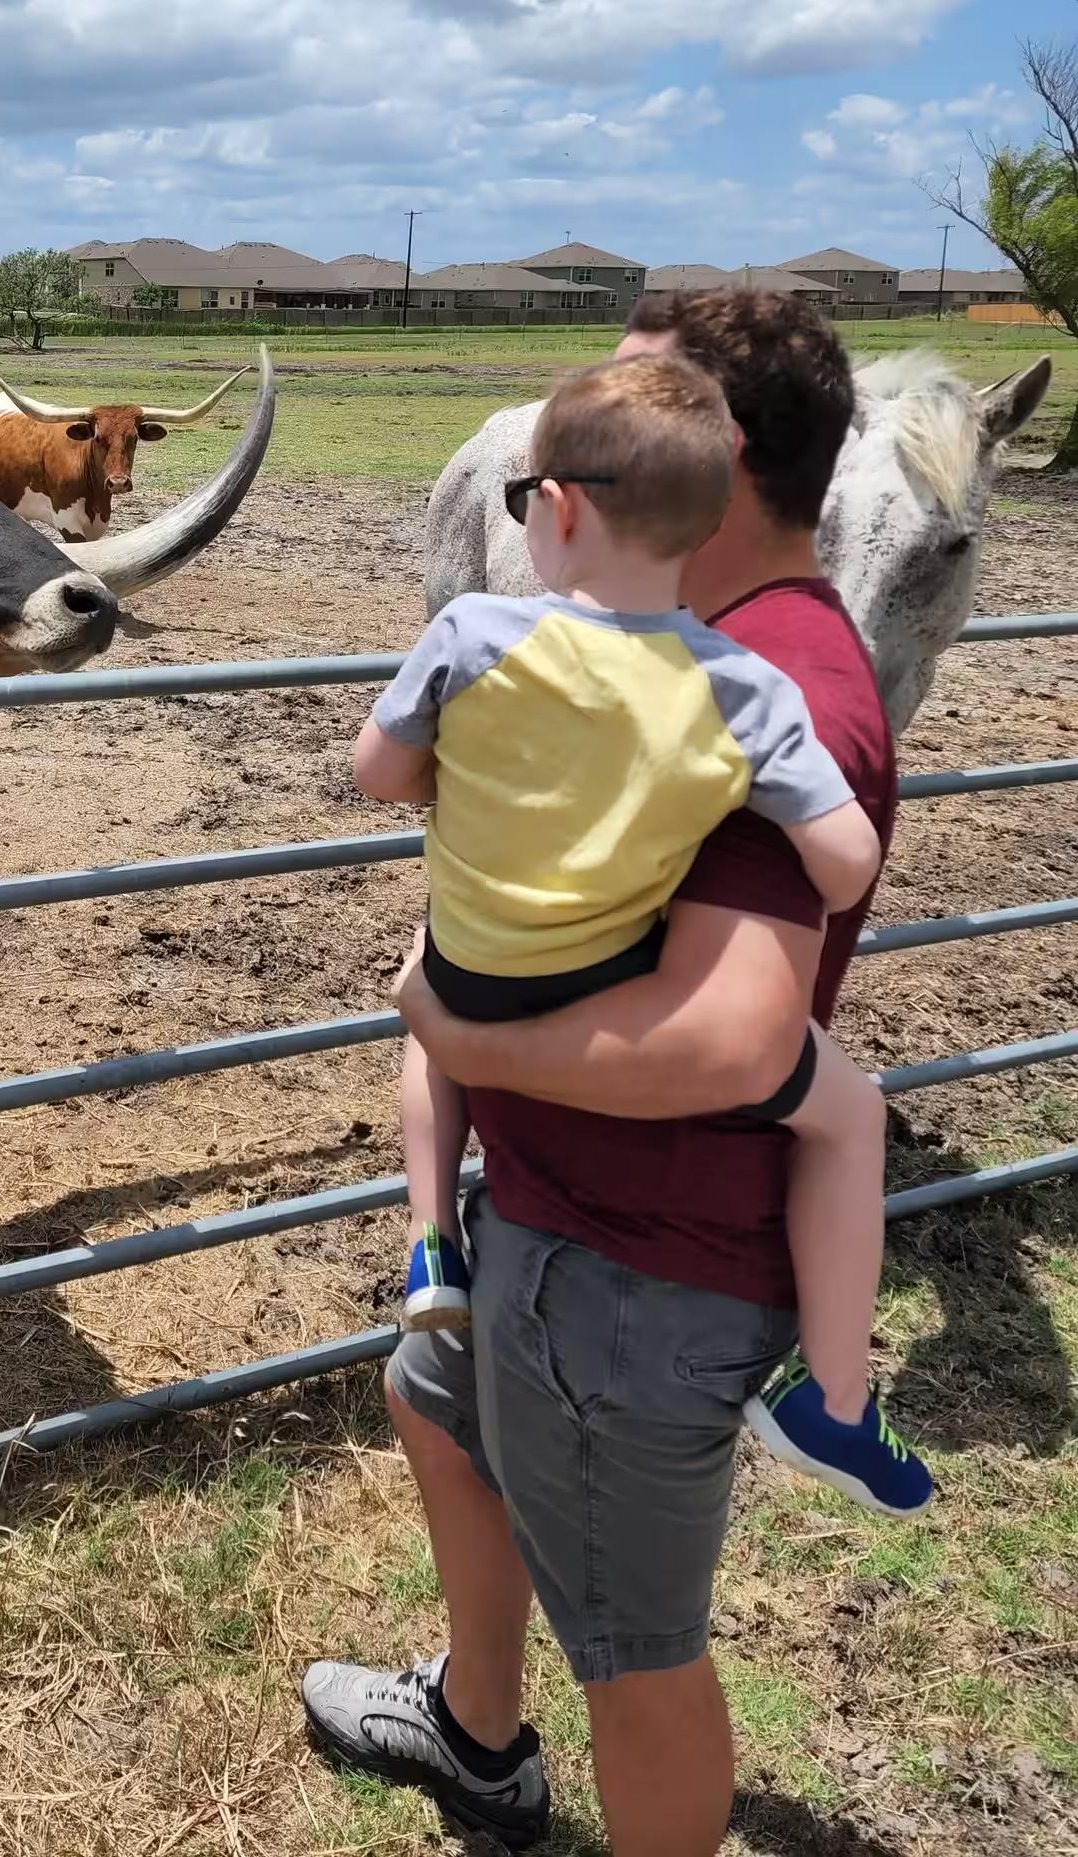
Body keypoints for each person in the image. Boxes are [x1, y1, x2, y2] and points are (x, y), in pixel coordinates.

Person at [300, 290, 907, 1857]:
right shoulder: (692, 662)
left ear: (718, 452)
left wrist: (458, 1030)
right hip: (554, 1205)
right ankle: (479, 1730)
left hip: (636, 1268)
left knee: (639, 1657)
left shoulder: (783, 686)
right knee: (433, 1395)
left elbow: (733, 1041)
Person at [368, 351, 928, 1526]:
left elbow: (379, 775)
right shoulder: (752, 687)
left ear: (555, 515)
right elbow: (845, 865)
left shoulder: (472, 630)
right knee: (853, 1112)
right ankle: (833, 1393)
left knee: (432, 987)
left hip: (474, 965)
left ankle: (430, 1244)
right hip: (610, 979)